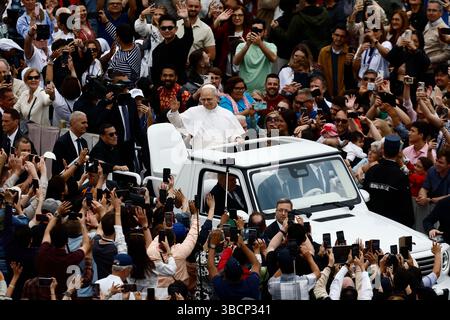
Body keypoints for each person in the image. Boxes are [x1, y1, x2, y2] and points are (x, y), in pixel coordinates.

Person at [167, 84, 245, 149]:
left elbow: (233, 133)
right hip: (200, 153)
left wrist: (237, 138)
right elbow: (179, 124)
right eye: (203, 100)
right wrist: (174, 111)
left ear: (216, 98)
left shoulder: (227, 114)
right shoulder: (193, 111)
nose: (206, 102)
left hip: (222, 154)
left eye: (209, 99)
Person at [363, 135, 415, 227]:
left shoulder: (371, 170)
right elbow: (406, 206)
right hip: (392, 224)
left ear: (383, 150)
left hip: (371, 221)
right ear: (399, 153)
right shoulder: (401, 176)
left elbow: (365, 195)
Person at [233, 18, 277, 92]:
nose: (256, 33)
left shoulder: (271, 46)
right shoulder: (241, 45)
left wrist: (260, 44)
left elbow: (273, 59)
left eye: (259, 30)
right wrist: (247, 45)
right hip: (244, 91)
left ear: (265, 32)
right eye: (254, 30)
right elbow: (236, 62)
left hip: (263, 91)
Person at [151, 9, 194, 86]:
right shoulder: (157, 50)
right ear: (159, 29)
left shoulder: (182, 44)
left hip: (180, 88)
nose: (167, 30)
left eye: (170, 28)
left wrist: (186, 19)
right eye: (163, 28)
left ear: (176, 29)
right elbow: (155, 74)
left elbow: (189, 37)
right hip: (162, 90)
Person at [52, 111, 89, 179]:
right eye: (83, 123)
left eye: (86, 122)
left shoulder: (84, 142)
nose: (87, 125)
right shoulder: (61, 143)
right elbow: (57, 170)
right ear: (73, 123)